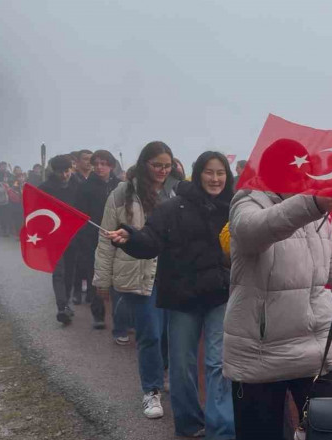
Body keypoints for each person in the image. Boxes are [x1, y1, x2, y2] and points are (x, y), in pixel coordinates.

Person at [225, 161, 332, 440]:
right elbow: (252, 231)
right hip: (259, 355)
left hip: (316, 352)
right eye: (294, 170)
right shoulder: (247, 201)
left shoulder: (316, 213)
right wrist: (312, 202)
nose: (302, 176)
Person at [107, 151, 236, 439]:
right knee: (181, 365)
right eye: (209, 172)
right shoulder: (173, 207)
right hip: (182, 297)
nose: (215, 179)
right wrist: (131, 238)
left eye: (220, 173)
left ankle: (222, 430)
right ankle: (190, 423)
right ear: (197, 173)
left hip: (220, 294)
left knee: (218, 363)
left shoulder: (234, 208)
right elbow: (150, 240)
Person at [94, 142, 180, 419]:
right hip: (138, 272)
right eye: (157, 165)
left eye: (167, 166)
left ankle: (164, 373)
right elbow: (106, 238)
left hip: (173, 272)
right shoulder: (122, 193)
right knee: (149, 334)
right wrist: (102, 279)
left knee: (170, 334)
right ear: (145, 164)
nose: (162, 171)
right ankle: (151, 390)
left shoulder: (177, 191)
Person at [76, 150, 121, 323]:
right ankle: (98, 315)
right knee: (95, 277)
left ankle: (120, 318)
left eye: (103, 163)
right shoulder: (85, 187)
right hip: (93, 237)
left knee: (118, 279)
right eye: (96, 164)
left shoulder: (120, 185)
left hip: (117, 237)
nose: (99, 167)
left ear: (111, 165)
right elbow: (80, 215)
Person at [38, 155, 80, 325]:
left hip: (73, 235)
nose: (64, 175)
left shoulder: (78, 186)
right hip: (53, 235)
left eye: (67, 171)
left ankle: (67, 301)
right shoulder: (44, 188)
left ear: (71, 169)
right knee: (59, 271)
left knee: (70, 271)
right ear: (53, 171)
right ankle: (61, 307)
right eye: (60, 172)